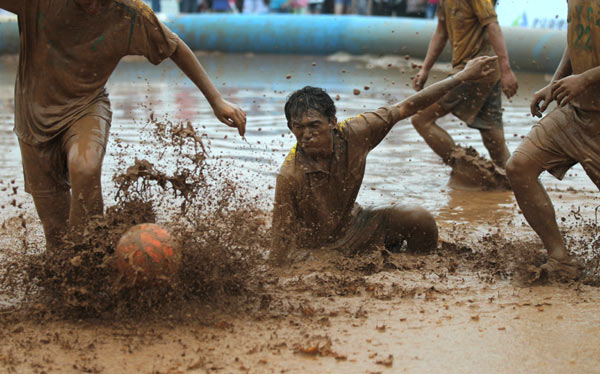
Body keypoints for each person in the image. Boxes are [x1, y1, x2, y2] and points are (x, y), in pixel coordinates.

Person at [0, 0, 246, 251]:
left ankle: (90, 255)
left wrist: (216, 100)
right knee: (55, 235)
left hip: (86, 106)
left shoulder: (130, 13)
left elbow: (175, 47)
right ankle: (69, 269)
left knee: (84, 166)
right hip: (33, 119)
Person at [270, 56, 498, 264]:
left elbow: (407, 106)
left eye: (314, 125)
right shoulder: (290, 175)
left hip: (355, 225)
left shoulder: (356, 131)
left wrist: (462, 76)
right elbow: (279, 248)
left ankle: (419, 270)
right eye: (298, 128)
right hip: (320, 249)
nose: (306, 135)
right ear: (290, 128)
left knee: (419, 219)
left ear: (332, 122)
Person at [506, 0, 600, 280]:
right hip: (575, 110)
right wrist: (556, 82)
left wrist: (584, 79)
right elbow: (579, 41)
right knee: (519, 166)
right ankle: (560, 259)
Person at [411, 0, 518, 183]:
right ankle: (517, 186)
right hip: (485, 73)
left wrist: (506, 70)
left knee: (421, 118)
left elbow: (493, 26)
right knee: (494, 141)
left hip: (473, 72)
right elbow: (441, 33)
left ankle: (467, 172)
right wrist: (425, 69)